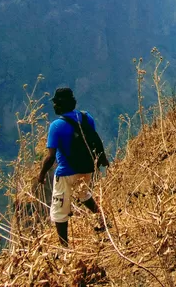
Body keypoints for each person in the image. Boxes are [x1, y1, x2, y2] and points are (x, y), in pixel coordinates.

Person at [37, 87, 104, 247]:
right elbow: (95, 139)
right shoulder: (87, 118)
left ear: (60, 105)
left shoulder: (56, 126)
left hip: (66, 172)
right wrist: (102, 158)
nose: (54, 107)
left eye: (55, 103)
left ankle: (64, 247)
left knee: (59, 210)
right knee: (83, 194)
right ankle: (103, 219)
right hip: (87, 169)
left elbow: (51, 157)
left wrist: (41, 174)